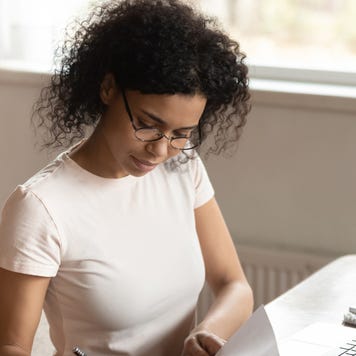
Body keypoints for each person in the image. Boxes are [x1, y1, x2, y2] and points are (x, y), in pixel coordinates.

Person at [0, 0, 253, 355]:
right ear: (108, 88)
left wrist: (204, 335)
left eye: (182, 133)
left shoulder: (184, 168)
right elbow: (11, 346)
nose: (162, 151)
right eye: (149, 125)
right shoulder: (41, 207)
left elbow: (234, 285)